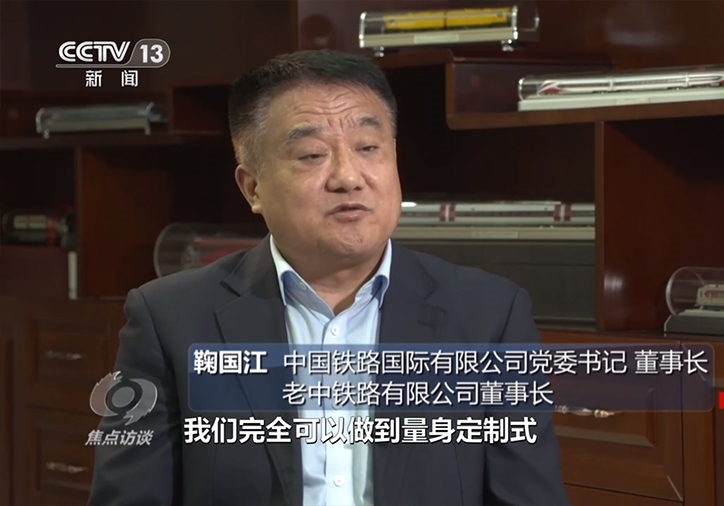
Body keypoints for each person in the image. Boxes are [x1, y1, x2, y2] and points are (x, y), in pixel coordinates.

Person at [88, 49, 569, 506]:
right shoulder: (169, 320)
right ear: (252, 188)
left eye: (368, 148)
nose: (348, 177)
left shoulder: (489, 316)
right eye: (312, 155)